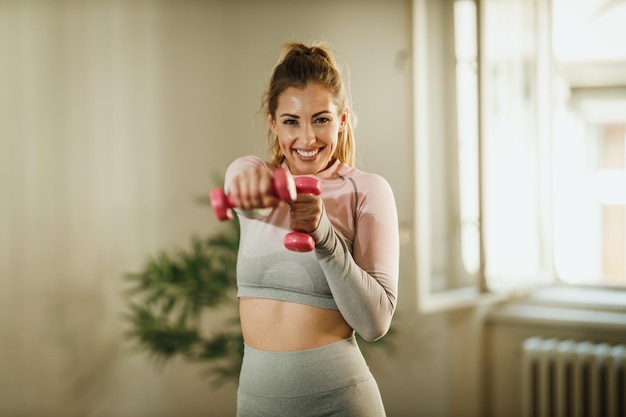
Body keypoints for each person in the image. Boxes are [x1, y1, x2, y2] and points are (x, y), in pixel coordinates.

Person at [223, 41, 399, 417]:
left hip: (341, 402)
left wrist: (324, 236)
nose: (307, 139)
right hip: (256, 403)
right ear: (272, 122)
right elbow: (240, 179)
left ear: (342, 120)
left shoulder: (366, 190)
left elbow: (375, 323)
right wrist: (246, 183)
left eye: (321, 119)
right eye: (291, 121)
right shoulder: (258, 181)